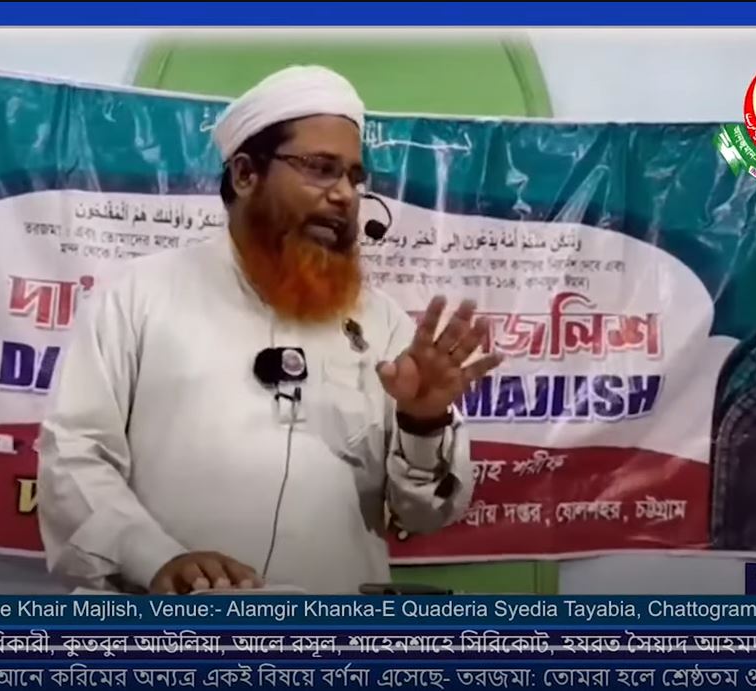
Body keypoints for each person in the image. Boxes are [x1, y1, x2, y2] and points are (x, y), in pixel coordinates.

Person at [36, 65, 502, 595]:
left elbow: (424, 515)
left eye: (354, 177)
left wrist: (423, 422)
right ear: (244, 174)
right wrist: (158, 559)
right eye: (321, 168)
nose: (345, 195)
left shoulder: (384, 324)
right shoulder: (138, 295)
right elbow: (74, 459)